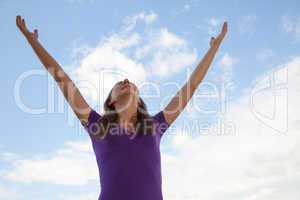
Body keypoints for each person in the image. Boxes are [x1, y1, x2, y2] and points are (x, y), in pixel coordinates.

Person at [16, 15, 228, 200]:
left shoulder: (156, 126)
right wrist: (32, 41)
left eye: (131, 84)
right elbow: (62, 79)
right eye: (119, 84)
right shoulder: (97, 126)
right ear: (111, 101)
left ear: (139, 99)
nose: (126, 80)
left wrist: (214, 49)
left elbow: (191, 86)